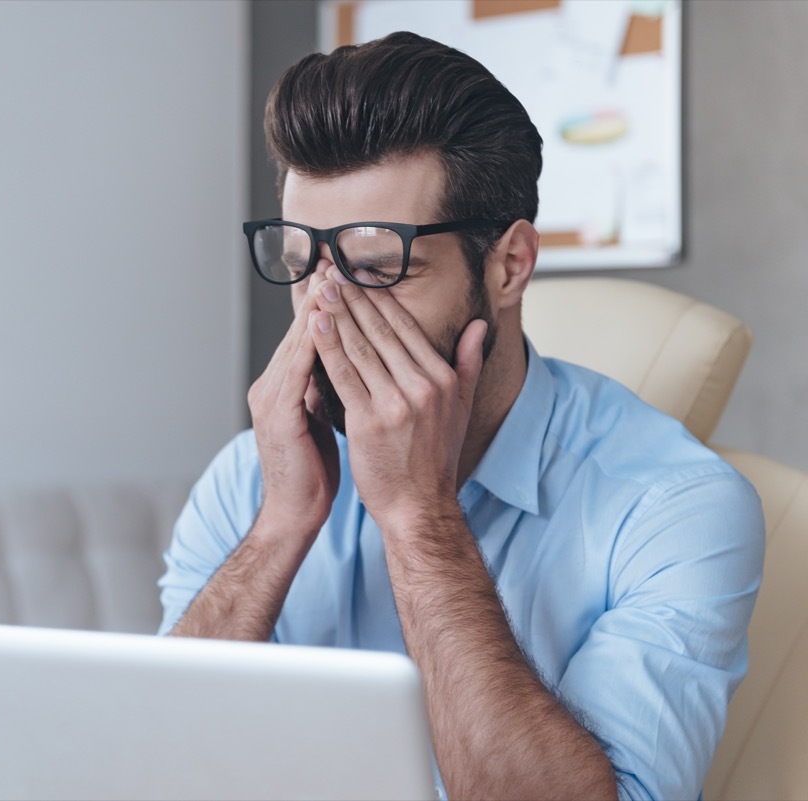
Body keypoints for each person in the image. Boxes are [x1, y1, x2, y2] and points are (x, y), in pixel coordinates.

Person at [158, 31, 764, 801]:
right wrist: (280, 526)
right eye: (301, 261)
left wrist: (420, 518)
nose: (325, 311)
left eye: (377, 269)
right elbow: (153, 765)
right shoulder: (253, 479)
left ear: (509, 264)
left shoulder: (676, 508)